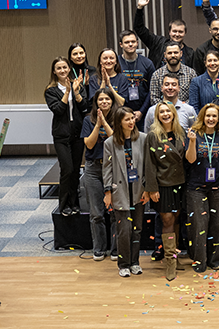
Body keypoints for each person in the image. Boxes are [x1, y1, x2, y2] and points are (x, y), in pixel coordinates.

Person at [103, 107, 150, 277]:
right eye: (127, 119)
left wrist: (147, 189)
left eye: (132, 118)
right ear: (119, 122)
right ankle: (123, 264)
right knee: (124, 230)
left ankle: (135, 262)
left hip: (138, 190)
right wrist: (108, 192)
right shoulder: (110, 143)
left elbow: (148, 166)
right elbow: (107, 169)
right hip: (120, 191)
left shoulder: (143, 138)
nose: (131, 122)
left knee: (137, 229)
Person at [144, 101, 187, 281]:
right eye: (161, 112)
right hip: (163, 184)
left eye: (168, 111)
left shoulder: (181, 132)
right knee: (167, 220)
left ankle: (175, 258)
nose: (165, 114)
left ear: (173, 113)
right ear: (157, 116)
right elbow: (149, 164)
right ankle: (169, 262)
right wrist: (151, 188)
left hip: (180, 183)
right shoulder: (152, 135)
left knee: (176, 219)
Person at [185, 104, 219, 272]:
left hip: (217, 186)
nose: (211, 119)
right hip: (196, 187)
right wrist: (192, 142)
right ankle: (199, 261)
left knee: (218, 224)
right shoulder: (194, 135)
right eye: (208, 115)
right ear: (202, 117)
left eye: (214, 116)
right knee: (199, 224)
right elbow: (190, 160)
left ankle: (216, 259)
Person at [45, 56, 89, 216]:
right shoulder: (51, 90)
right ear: (54, 71)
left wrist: (76, 92)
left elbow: (84, 107)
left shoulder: (78, 85)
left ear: (69, 69)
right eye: (59, 68)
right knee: (67, 169)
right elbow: (58, 110)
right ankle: (63, 205)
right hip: (61, 136)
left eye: (65, 67)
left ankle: (74, 203)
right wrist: (67, 92)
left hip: (77, 134)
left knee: (76, 170)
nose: (62, 70)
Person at [82, 88, 119, 260]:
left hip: (113, 167)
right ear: (96, 102)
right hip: (93, 168)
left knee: (115, 212)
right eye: (100, 99)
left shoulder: (118, 118)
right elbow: (89, 144)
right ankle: (99, 248)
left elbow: (116, 142)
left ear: (112, 101)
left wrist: (105, 123)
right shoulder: (87, 120)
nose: (104, 102)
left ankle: (116, 249)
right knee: (96, 213)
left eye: (107, 99)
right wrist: (97, 124)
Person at [134, 0, 193, 68]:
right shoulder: (157, 43)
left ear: (185, 33)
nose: (177, 34)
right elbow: (139, 28)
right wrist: (140, 8)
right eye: (174, 31)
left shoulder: (190, 53)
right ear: (169, 32)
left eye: (180, 32)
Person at [117, 30, 155, 123]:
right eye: (127, 42)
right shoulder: (116, 63)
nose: (130, 44)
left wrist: (141, 111)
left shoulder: (147, 63)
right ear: (121, 44)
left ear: (137, 43)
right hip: (121, 112)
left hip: (143, 112)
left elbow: (152, 89)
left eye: (133, 42)